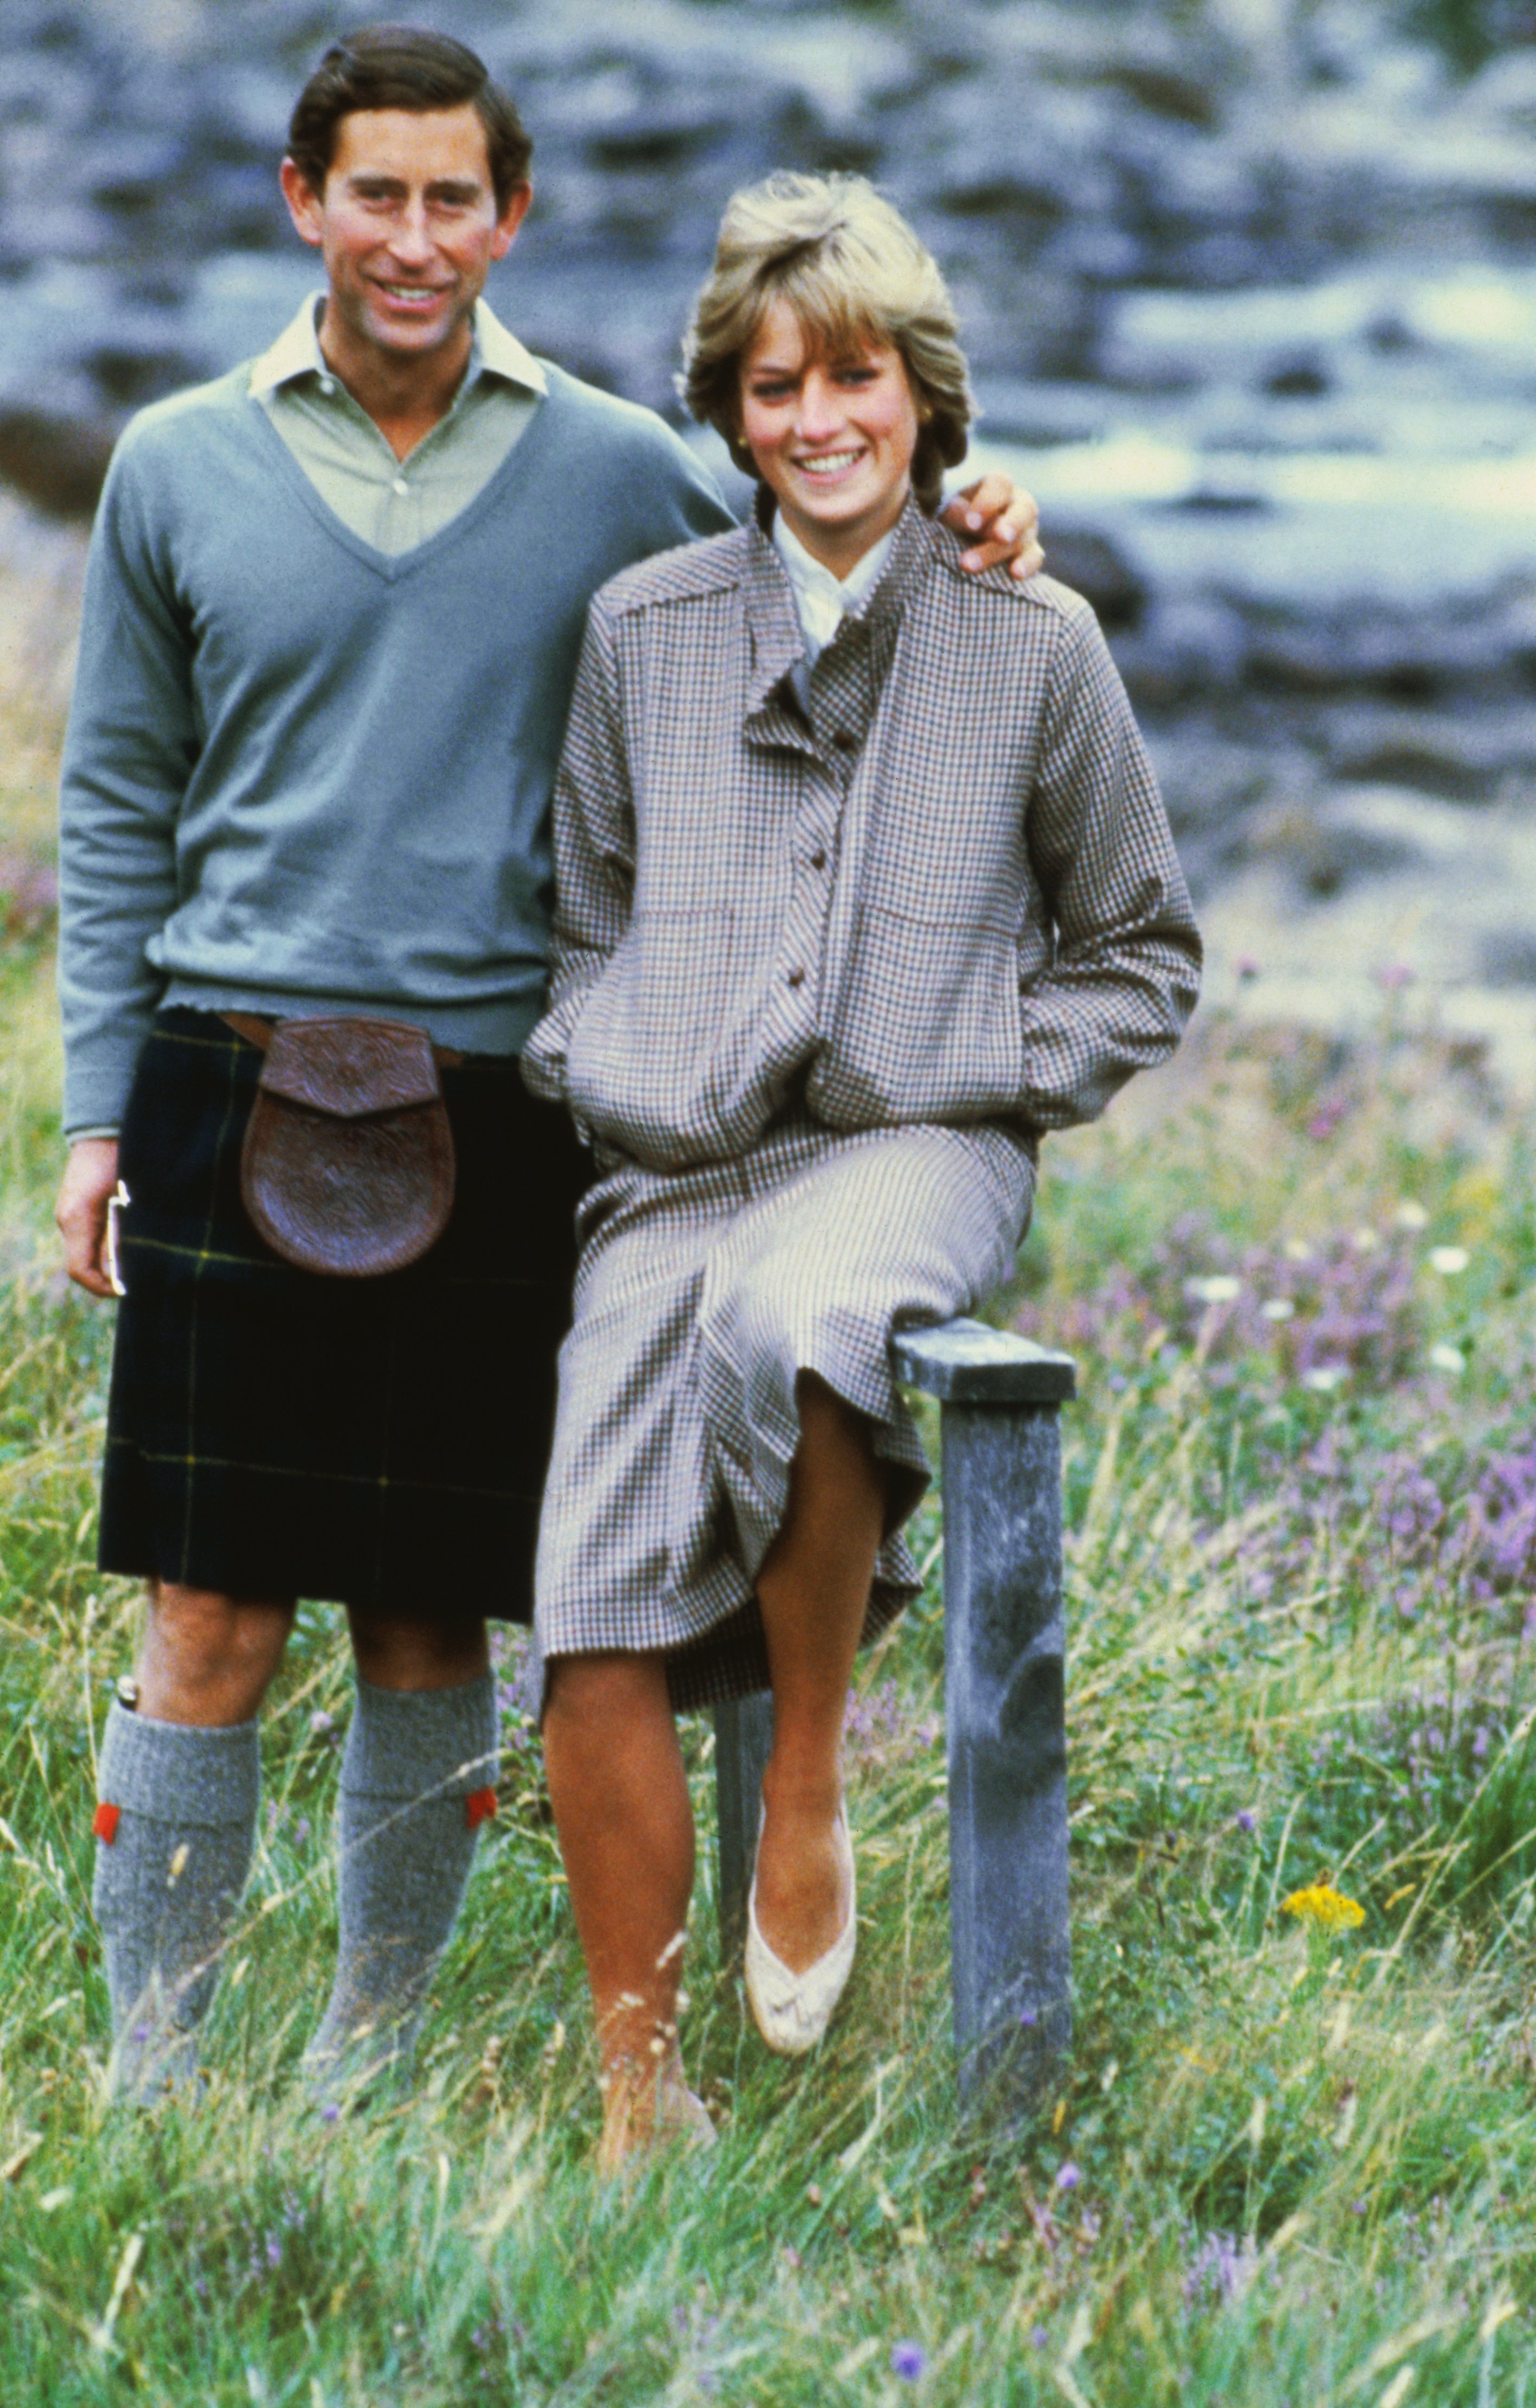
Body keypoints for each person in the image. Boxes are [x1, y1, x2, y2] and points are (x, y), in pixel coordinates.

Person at [53, 30, 1043, 2104]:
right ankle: (151, 2073)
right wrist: (89, 1113)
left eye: (453, 199)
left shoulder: (613, 464)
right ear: (299, 198)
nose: (413, 239)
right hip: (226, 1080)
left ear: (509, 217)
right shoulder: (170, 463)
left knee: (432, 1619)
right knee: (208, 1620)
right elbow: (120, 804)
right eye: (374, 193)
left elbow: (814, 530)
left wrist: (975, 517)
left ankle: (371, 2060)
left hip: (501, 1111)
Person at [522, 170, 1202, 2171]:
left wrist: (983, 1067)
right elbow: (585, 911)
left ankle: (806, 1766)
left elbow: (1142, 949)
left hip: (915, 1159)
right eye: (777, 384)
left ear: (928, 398)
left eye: (861, 380)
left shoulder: (1033, 638)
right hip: (672, 1163)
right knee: (585, 1596)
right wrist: (605, 1052)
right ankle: (637, 2104)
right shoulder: (643, 632)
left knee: (807, 1310)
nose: (822, 420)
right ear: (729, 410)